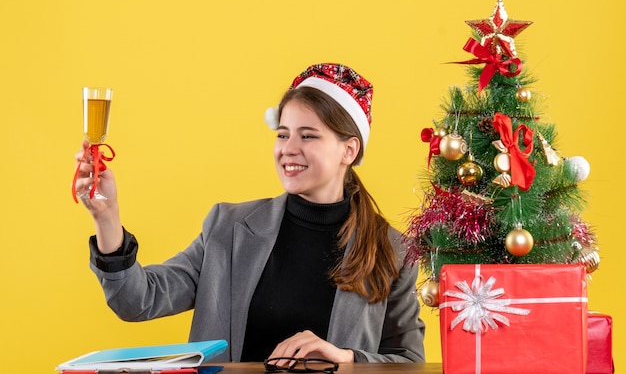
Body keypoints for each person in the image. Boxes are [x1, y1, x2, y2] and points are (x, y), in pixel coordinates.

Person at [73, 63, 426, 363]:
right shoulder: (228, 228)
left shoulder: (393, 251)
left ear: (349, 149)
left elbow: (408, 362)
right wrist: (107, 217)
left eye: (308, 136)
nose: (288, 149)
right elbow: (137, 300)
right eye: (283, 134)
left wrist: (346, 356)